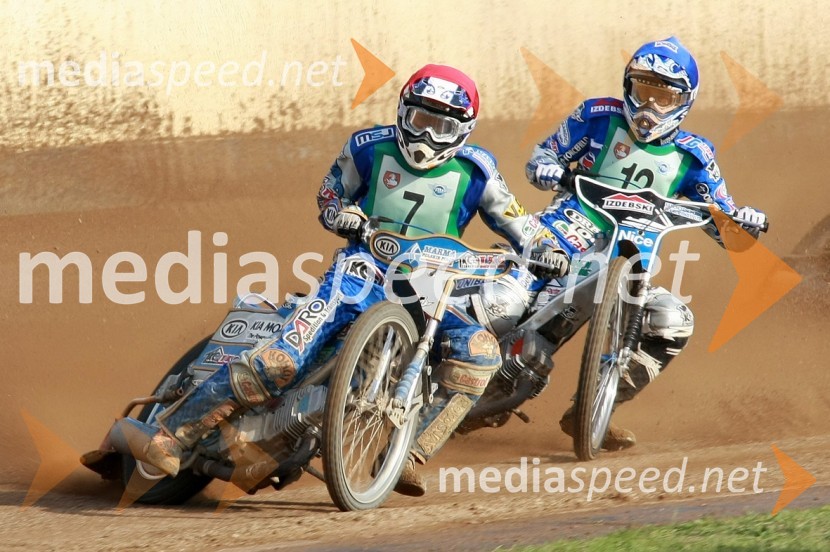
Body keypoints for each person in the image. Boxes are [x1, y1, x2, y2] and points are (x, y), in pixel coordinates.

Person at [134, 64, 570, 494]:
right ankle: (171, 434)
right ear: (403, 111)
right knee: (281, 360)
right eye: (420, 119)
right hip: (362, 272)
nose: (428, 135)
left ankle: (409, 454)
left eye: (442, 125)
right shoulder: (368, 146)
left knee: (479, 354)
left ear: (463, 129)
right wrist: (340, 212)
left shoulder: (478, 170)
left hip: (436, 287)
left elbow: (519, 224)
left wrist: (547, 250)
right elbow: (331, 192)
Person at [525, 37, 767, 450]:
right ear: (628, 86)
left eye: (664, 97)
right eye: (643, 91)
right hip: (568, 229)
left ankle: (596, 403)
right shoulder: (596, 115)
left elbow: (723, 224)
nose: (651, 107)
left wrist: (740, 222)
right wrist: (549, 170)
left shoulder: (695, 155)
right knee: (513, 295)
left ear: (685, 101)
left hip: (632, 259)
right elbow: (542, 157)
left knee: (673, 322)